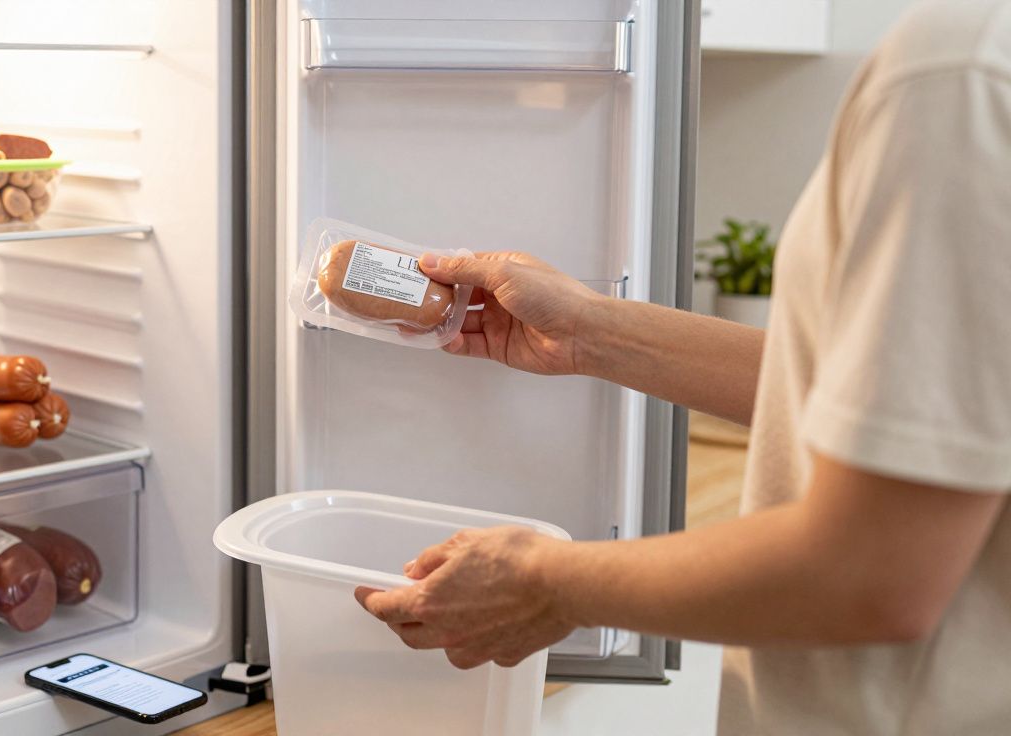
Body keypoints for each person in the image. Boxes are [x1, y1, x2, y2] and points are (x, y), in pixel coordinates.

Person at [353, 1, 1011, 733]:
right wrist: (586, 331)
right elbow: (896, 395)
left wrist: (545, 583)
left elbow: (874, 570)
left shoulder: (963, 71)